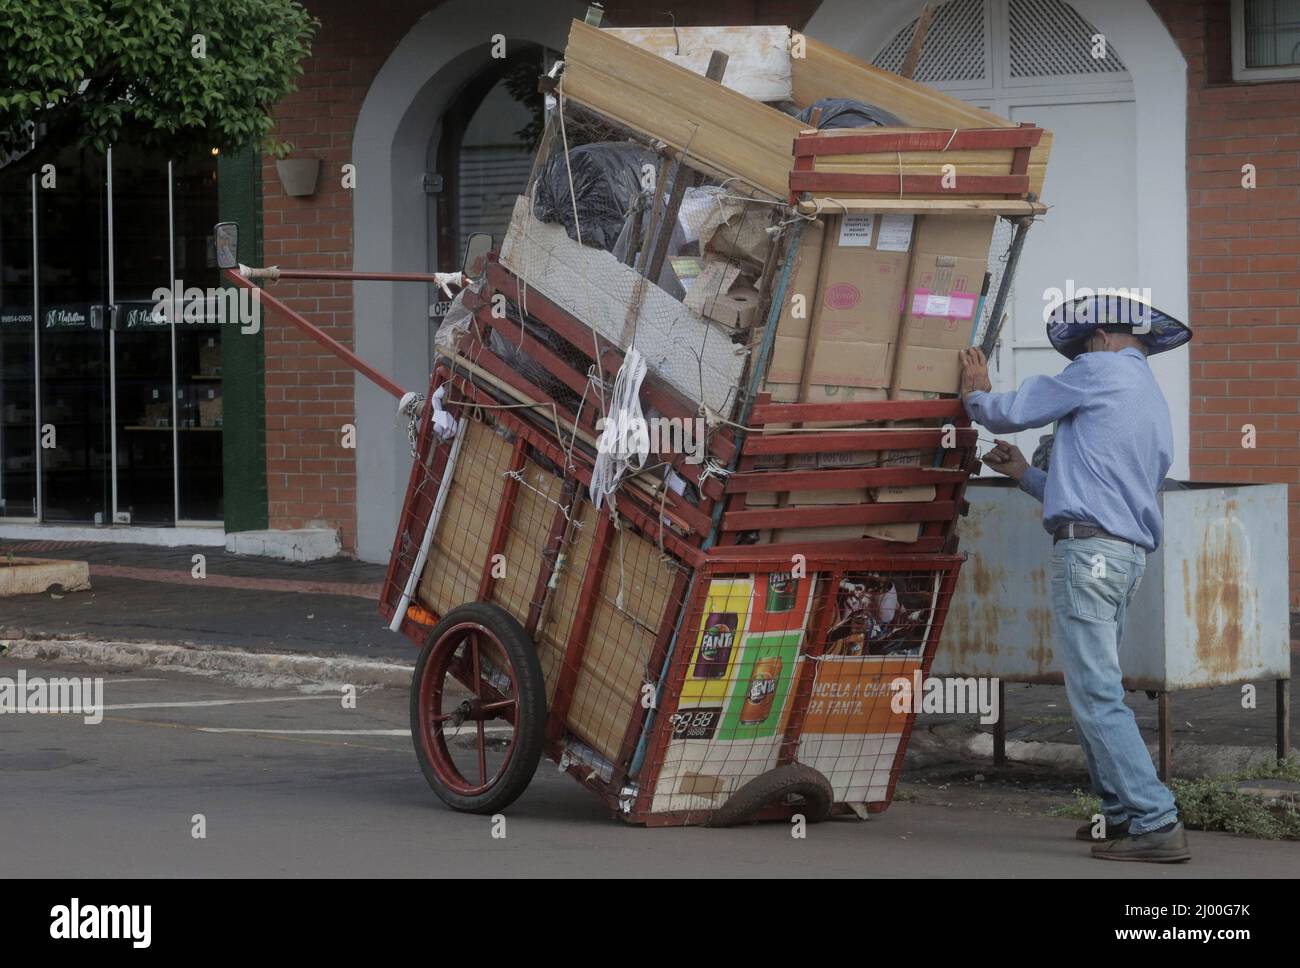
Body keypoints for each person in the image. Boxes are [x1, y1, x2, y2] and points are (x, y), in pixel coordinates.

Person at [957, 293, 1193, 864]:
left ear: (1106, 337)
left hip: (1088, 557)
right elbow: (1090, 491)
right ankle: (1116, 815)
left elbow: (1009, 411)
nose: (1083, 352)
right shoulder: (1149, 398)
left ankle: (1155, 819)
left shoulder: (1099, 370)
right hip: (1121, 557)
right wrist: (1023, 473)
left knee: (1097, 697)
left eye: (1087, 342)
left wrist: (977, 393)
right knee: (1094, 693)